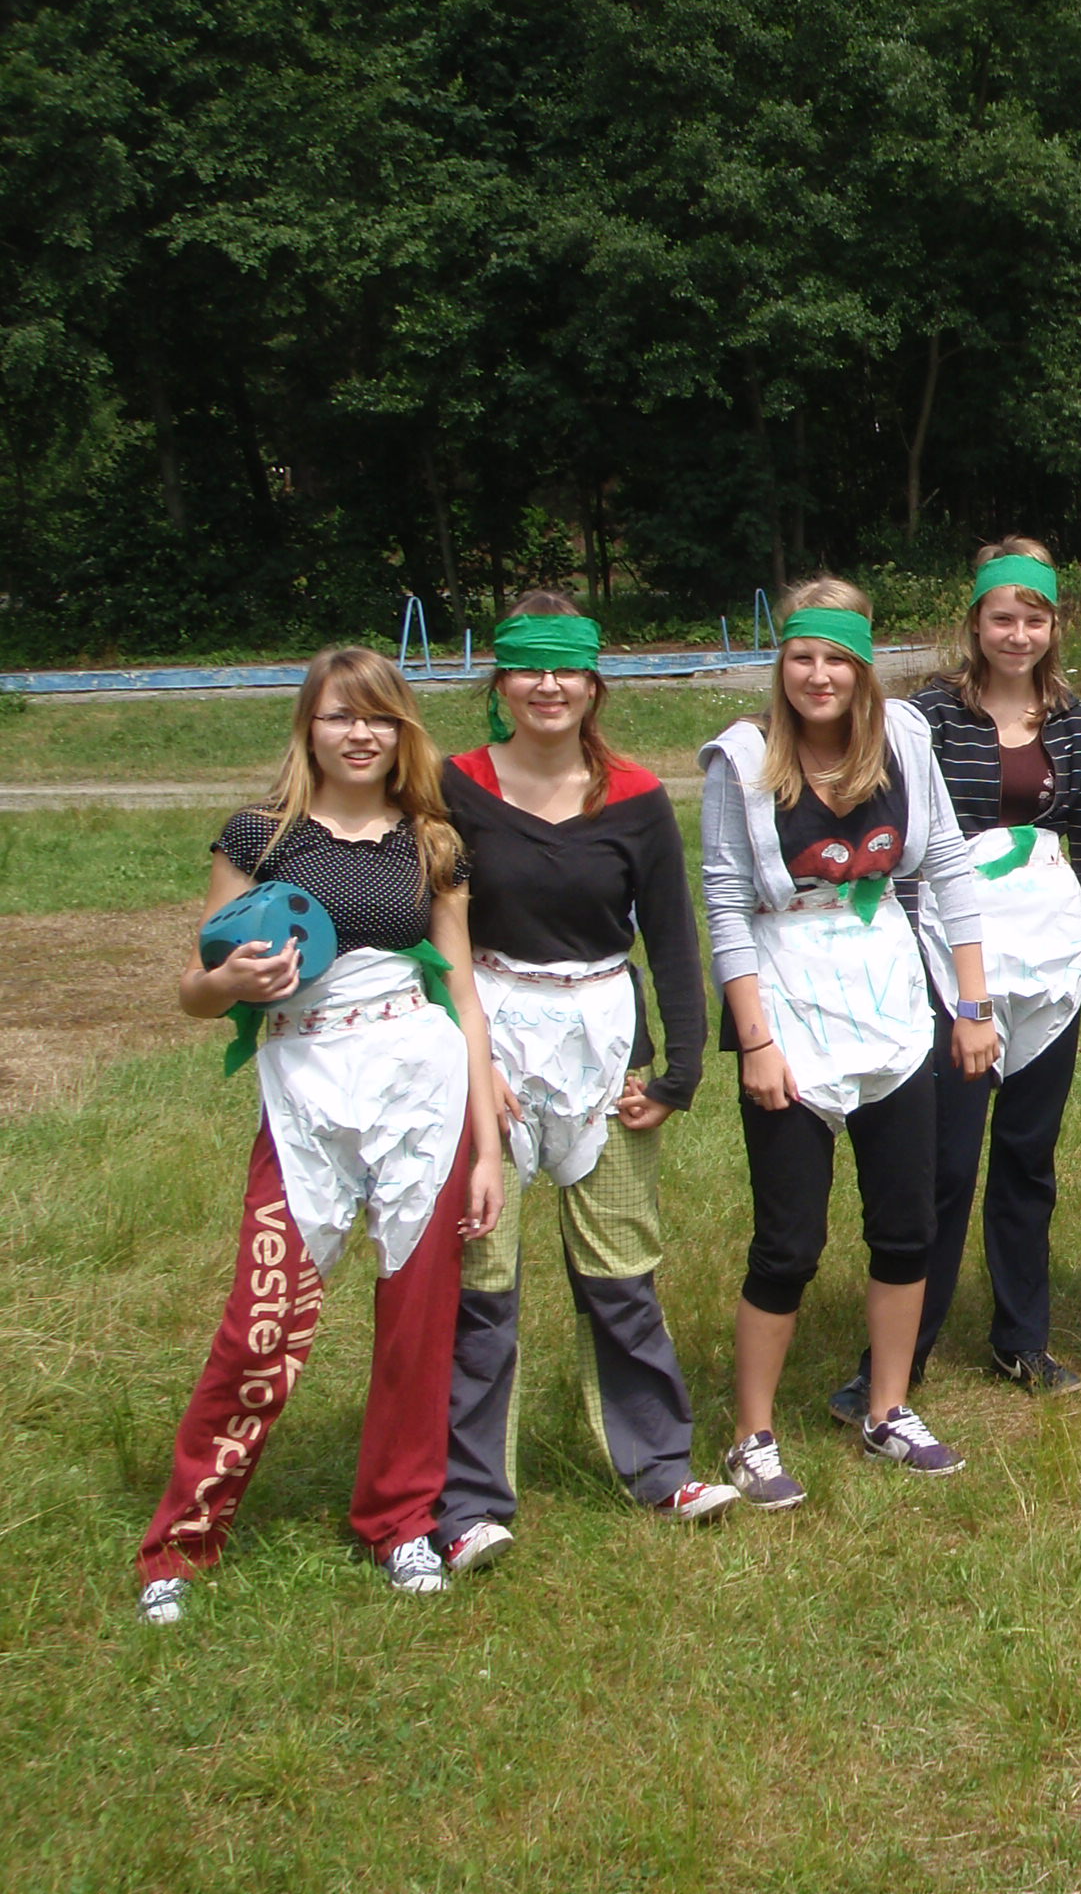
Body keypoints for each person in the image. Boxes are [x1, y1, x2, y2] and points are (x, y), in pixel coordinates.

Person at [137, 648, 504, 1624]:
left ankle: (401, 1521)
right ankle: (180, 1543)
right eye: (341, 715)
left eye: (379, 717)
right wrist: (228, 983)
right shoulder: (260, 836)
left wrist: (488, 1146)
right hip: (305, 1091)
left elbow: (464, 992)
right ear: (309, 727)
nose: (360, 734)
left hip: (422, 1091)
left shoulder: (432, 841)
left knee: (420, 1322)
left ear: (402, 731)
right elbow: (194, 988)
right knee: (262, 1324)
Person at [432, 595, 736, 1579]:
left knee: (620, 1271)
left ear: (594, 684)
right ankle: (468, 1501)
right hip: (488, 1038)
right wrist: (470, 1063)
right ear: (501, 682)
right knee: (482, 1277)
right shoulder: (452, 787)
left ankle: (659, 1467)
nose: (548, 687)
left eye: (566, 669)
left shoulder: (636, 798)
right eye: (529, 668)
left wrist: (678, 1072)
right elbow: (425, 932)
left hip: (605, 1044)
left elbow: (674, 939)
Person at [699, 577, 998, 1502]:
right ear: (781, 662)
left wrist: (974, 1004)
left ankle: (887, 1408)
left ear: (864, 667)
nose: (819, 675)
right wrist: (756, 1042)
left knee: (906, 1227)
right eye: (802, 656)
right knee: (788, 1241)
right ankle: (752, 1434)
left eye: (837, 658)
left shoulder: (904, 738)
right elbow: (725, 901)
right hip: (788, 1002)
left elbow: (948, 863)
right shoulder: (743, 758)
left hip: (890, 1000)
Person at [828, 539, 1081, 1416]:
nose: (1018, 634)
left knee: (1029, 1156)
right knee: (944, 1162)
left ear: (1053, 627)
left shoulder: (1076, 723)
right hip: (946, 953)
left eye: (1034, 619)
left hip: (1051, 954)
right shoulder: (927, 717)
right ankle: (901, 1356)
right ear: (976, 623)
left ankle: (1021, 1340)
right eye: (1003, 618)